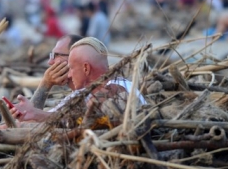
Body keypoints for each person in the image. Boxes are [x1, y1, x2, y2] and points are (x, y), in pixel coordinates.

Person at [10, 37, 145, 124]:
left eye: (71, 67)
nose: (50, 62)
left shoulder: (115, 88)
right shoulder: (82, 93)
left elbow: (73, 120)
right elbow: (38, 120)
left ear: (86, 68)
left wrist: (35, 113)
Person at [31, 34, 83, 109]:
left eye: (56, 55)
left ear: (74, 57)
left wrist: (45, 84)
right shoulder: (72, 96)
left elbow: (33, 117)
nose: (50, 62)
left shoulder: (92, 96)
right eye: (51, 55)